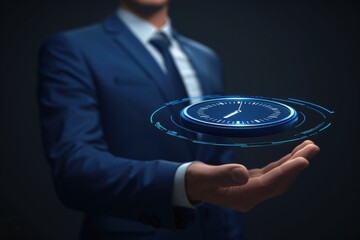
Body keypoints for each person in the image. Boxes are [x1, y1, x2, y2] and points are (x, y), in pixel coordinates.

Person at [37, 0, 320, 239]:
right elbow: (75, 169)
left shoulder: (205, 57)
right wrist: (182, 181)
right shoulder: (72, 49)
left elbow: (219, 154)